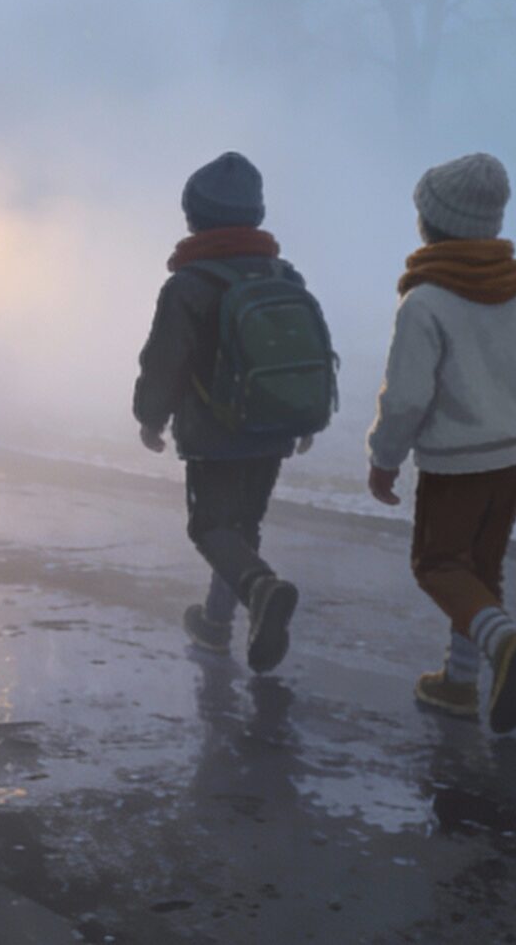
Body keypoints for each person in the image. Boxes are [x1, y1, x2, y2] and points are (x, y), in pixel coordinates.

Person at [365, 153, 516, 733]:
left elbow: (405, 397)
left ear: (430, 224)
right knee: (481, 570)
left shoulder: (425, 302)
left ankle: (504, 644)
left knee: (438, 566)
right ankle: (459, 682)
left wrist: (384, 458)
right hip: (511, 459)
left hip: (455, 464)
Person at [133, 152, 315, 673]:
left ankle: (260, 589)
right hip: (273, 426)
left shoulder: (188, 285)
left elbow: (164, 359)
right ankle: (218, 623)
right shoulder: (285, 275)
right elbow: (299, 356)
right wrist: (304, 420)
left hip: (214, 431)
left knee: (210, 528)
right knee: (244, 525)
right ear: (255, 216)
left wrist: (151, 417)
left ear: (194, 218)